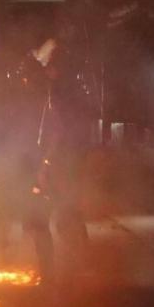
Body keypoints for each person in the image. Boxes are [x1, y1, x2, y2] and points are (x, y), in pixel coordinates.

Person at [22, 22, 95, 284]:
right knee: (66, 214)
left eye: (47, 63)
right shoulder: (61, 87)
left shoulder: (63, 91)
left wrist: (46, 163)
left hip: (62, 162)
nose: (43, 67)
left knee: (44, 216)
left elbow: (60, 132)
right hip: (65, 161)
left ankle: (54, 276)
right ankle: (76, 268)